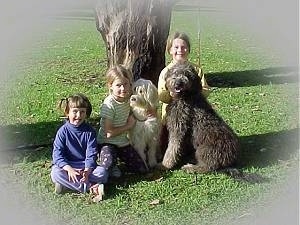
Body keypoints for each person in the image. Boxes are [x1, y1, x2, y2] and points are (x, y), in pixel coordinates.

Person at [158, 31, 211, 155]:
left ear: (188, 49)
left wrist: (193, 95)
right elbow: (161, 95)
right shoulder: (166, 71)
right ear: (170, 50)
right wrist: (172, 95)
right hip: (172, 118)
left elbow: (205, 89)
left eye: (184, 47)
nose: (180, 50)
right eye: (176, 47)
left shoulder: (196, 69)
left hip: (194, 116)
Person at [50, 93, 108, 201]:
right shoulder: (63, 132)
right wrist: (69, 169)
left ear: (86, 114)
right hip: (69, 165)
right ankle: (90, 187)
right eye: (75, 111)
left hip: (85, 165)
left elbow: (91, 154)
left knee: (102, 173)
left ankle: (66, 185)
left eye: (82, 112)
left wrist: (87, 171)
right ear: (67, 113)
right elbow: (57, 155)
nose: (78, 115)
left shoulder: (89, 132)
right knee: (55, 173)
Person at [97, 65, 148, 178]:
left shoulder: (129, 98)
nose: (123, 88)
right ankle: (106, 164)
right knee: (107, 164)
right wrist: (128, 126)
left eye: (125, 84)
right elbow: (109, 133)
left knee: (141, 169)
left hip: (123, 142)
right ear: (110, 86)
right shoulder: (109, 105)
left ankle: (115, 162)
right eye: (118, 85)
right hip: (107, 142)